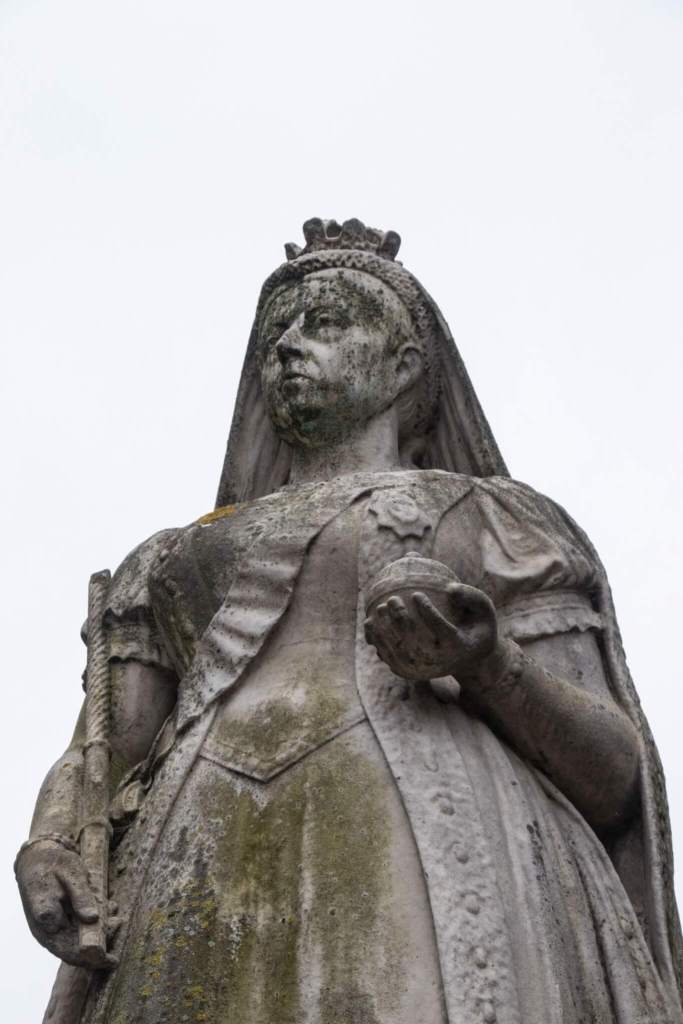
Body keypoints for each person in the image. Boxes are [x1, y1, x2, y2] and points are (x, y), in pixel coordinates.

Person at [16, 218, 683, 1023]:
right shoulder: (171, 558)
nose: (289, 346)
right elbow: (104, 754)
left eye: (325, 323)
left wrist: (486, 661)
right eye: (277, 334)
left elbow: (613, 776)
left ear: (406, 366)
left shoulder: (494, 519)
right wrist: (52, 838)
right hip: (197, 855)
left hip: (427, 856)